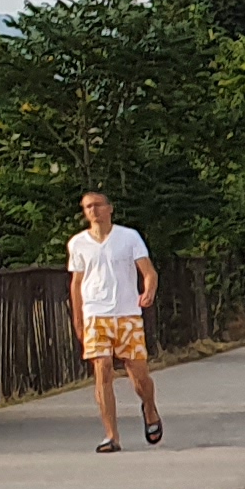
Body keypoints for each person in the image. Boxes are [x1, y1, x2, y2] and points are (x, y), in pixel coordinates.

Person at [67, 190, 163, 451]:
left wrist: (149, 290)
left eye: (97, 205)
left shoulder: (128, 237)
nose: (93, 211)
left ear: (109, 209)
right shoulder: (78, 244)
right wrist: (78, 319)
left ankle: (149, 406)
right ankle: (111, 435)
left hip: (127, 313)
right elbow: (76, 284)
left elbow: (148, 271)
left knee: (138, 374)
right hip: (96, 314)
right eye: (87, 207)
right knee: (103, 369)